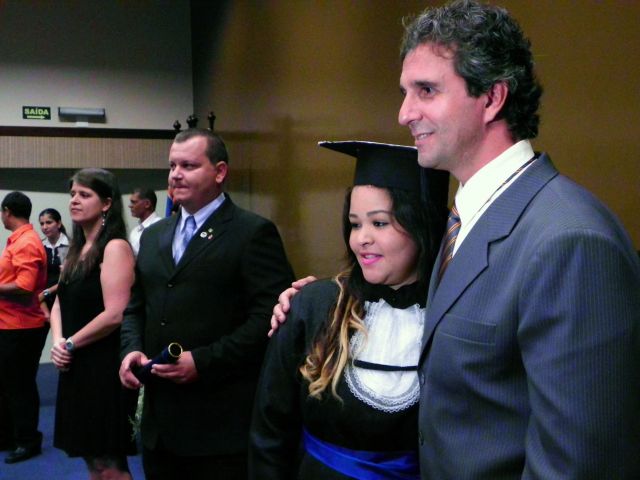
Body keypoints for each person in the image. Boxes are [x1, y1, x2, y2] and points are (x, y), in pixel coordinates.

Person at [272, 1, 640, 478]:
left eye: (426, 90)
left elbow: (578, 464)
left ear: (492, 98)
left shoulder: (570, 241)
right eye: (405, 92)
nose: (404, 113)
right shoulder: (463, 222)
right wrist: (317, 299)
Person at [250, 141, 448, 479]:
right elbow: (270, 431)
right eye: (355, 224)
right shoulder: (314, 306)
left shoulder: (454, 315)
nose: (361, 239)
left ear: (422, 224)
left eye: (379, 223)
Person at [119, 128, 295, 480]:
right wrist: (131, 348)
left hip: (219, 426)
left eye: (188, 165)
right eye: (172, 166)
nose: (175, 175)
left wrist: (203, 361)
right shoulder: (154, 235)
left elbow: (269, 318)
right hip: (160, 428)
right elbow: (137, 307)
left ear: (219, 172)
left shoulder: (252, 232)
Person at [50, 168, 138, 479]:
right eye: (72, 194)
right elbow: (58, 302)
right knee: (90, 458)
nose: (74, 200)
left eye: (84, 195)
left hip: (103, 365)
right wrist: (58, 342)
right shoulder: (76, 250)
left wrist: (71, 343)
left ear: (106, 203)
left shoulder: (114, 247)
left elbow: (116, 313)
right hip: (76, 362)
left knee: (108, 463)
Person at [0, 191, 47, 464]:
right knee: (8, 385)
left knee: (20, 387)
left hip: (21, 327)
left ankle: (28, 441)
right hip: (10, 325)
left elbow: (25, 286)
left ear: (7, 211)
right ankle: (9, 436)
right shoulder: (18, 240)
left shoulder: (26, 242)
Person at [37, 208, 70, 315]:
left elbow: (68, 278)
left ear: (59, 224)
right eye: (42, 224)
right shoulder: (40, 245)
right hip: (43, 300)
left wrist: (47, 292)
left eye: (49, 222)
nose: (44, 227)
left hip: (64, 297)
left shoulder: (68, 245)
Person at [128, 188, 161, 256]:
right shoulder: (134, 232)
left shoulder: (161, 226)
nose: (130, 206)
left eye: (134, 202)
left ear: (147, 204)